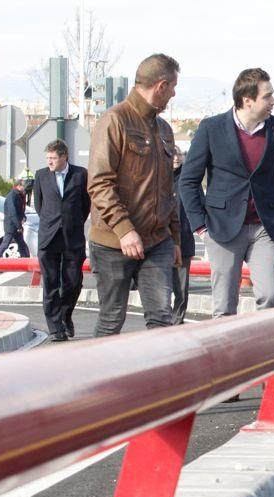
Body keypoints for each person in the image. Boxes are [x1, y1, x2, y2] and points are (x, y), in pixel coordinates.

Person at [180, 68, 274, 317]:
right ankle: (226, 356)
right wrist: (200, 226)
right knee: (224, 305)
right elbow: (188, 180)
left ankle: (267, 355)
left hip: (264, 228)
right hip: (222, 229)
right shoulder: (212, 128)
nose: (273, 101)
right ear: (247, 100)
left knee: (271, 295)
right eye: (268, 96)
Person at [88, 53, 182, 336]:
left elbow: (168, 190)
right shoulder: (114, 121)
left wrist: (174, 238)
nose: (174, 94)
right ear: (161, 85)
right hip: (114, 243)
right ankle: (101, 381)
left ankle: (156, 382)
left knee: (161, 322)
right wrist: (124, 230)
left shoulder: (164, 130)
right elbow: (99, 183)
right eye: (174, 87)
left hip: (157, 242)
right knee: (111, 321)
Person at [32, 139, 90, 341]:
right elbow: (39, 206)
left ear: (64, 156)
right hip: (49, 238)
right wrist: (53, 223)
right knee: (50, 283)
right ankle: (55, 327)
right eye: (47, 158)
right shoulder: (41, 175)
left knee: (73, 282)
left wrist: (71, 222)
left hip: (72, 237)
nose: (50, 162)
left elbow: (85, 205)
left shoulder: (80, 174)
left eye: (53, 158)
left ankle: (65, 315)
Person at [171, 149, 196, 324]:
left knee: (181, 287)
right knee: (160, 287)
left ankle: (177, 320)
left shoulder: (188, 180)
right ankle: (161, 321)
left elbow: (198, 205)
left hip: (184, 240)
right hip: (159, 241)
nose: (175, 158)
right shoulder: (155, 179)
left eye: (178, 155)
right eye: (171, 155)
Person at [0, 180, 29, 257]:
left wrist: (23, 217)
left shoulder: (19, 195)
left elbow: (20, 210)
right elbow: (13, 213)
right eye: (24, 186)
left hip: (16, 225)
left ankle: (25, 262)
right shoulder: (12, 196)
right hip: (11, 226)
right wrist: (19, 226)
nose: (25, 188)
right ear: (18, 186)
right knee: (5, 244)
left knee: (22, 245)